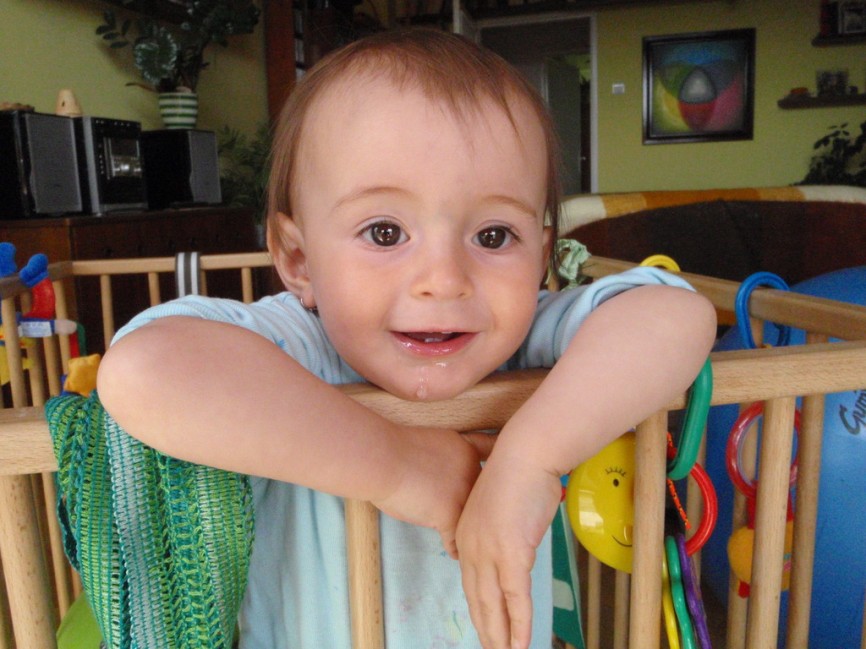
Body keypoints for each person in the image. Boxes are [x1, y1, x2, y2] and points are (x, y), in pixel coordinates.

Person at [97, 28, 716, 649]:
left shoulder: (525, 339)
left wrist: (530, 458)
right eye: (385, 233)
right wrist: (398, 467)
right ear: (299, 260)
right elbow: (143, 371)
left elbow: (674, 315)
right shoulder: (299, 349)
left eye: (494, 236)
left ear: (541, 254)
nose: (443, 281)